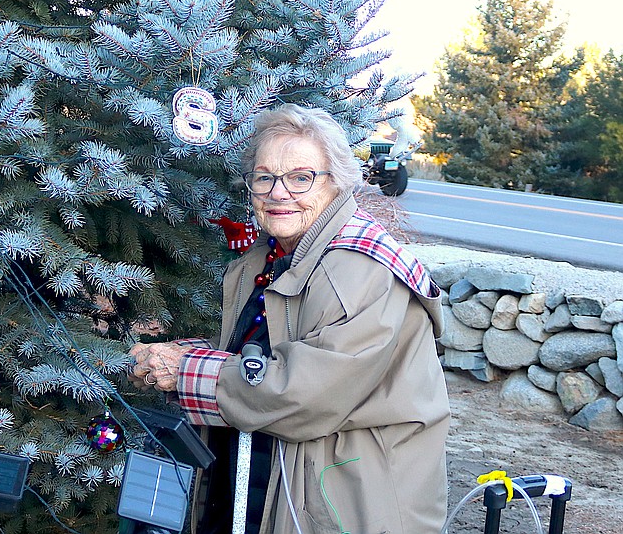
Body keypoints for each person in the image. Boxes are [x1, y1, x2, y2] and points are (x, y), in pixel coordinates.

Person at [129, 103, 450, 534]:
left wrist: (186, 372)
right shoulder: (270, 256)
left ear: (337, 182)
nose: (279, 193)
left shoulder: (359, 269)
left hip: (344, 503)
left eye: (302, 177)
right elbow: (264, 349)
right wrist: (184, 355)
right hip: (263, 482)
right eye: (264, 178)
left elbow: (300, 394)